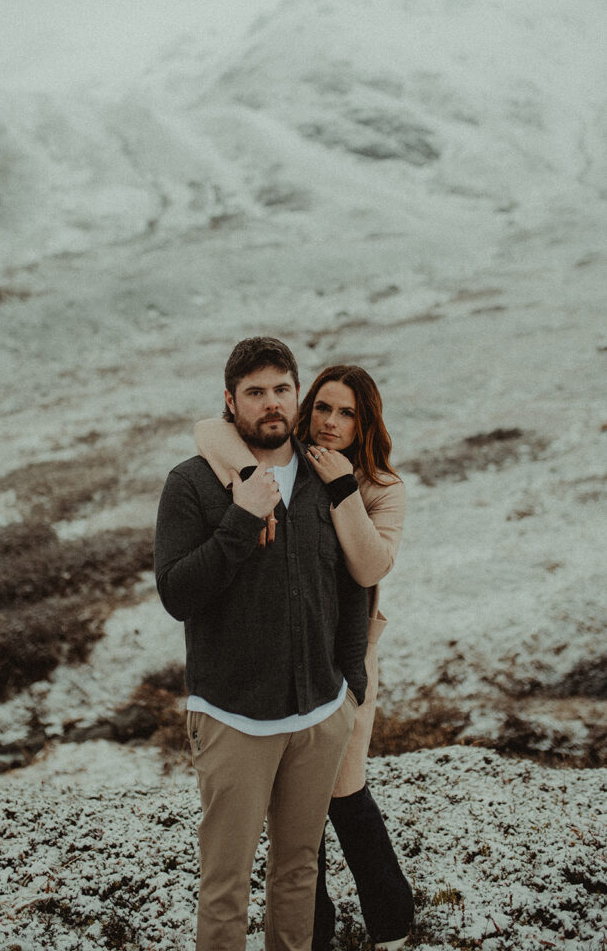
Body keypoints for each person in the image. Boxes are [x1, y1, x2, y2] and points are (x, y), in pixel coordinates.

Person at [154, 338, 369, 951]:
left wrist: (349, 685)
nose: (270, 404)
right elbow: (176, 594)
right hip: (234, 721)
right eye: (255, 393)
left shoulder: (327, 475)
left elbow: (354, 582)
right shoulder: (192, 485)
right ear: (230, 403)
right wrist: (242, 519)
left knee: (299, 873)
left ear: (297, 396)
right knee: (225, 887)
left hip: (320, 717)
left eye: (281, 390)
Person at [195, 363, 414, 951]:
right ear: (305, 408)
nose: (333, 422)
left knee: (344, 794)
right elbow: (207, 431)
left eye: (349, 413)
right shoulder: (286, 463)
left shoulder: (379, 488)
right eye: (324, 408)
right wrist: (248, 473)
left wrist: (344, 488)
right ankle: (311, 932)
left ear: (367, 421)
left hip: (349, 666)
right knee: (298, 815)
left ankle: (392, 919)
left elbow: (369, 568)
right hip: (291, 666)